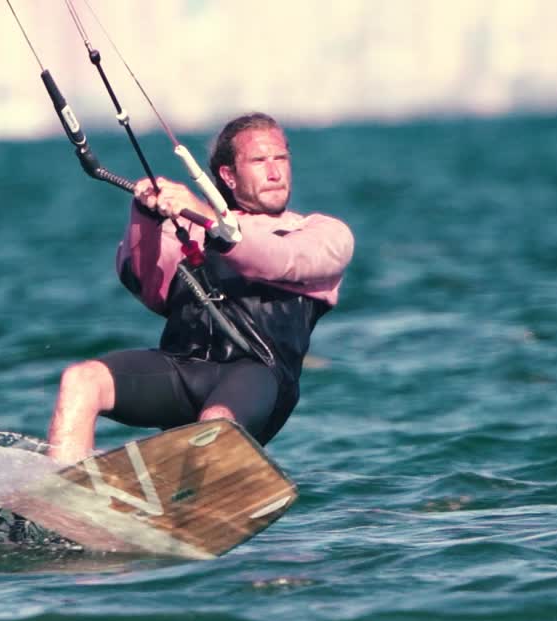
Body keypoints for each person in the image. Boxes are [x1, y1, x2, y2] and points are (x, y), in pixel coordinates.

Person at [46, 112, 355, 463]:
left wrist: (206, 218)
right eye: (259, 161)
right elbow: (144, 284)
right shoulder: (187, 229)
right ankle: (61, 492)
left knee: (214, 424)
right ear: (229, 176)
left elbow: (278, 258)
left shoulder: (322, 233)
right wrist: (144, 216)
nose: (274, 172)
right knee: (81, 380)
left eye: (280, 158)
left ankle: (198, 497)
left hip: (259, 377)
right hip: (182, 368)